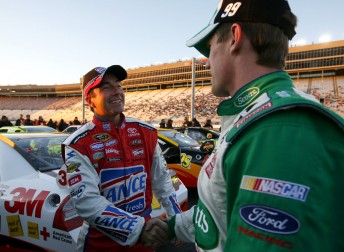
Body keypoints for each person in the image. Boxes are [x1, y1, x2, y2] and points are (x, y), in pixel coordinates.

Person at [152, 0, 344, 251]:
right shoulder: (256, 117)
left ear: (234, 37)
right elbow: (223, 210)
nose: (206, 63)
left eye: (209, 49)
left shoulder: (279, 128)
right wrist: (172, 226)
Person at [57, 65, 182, 251]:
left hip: (145, 242)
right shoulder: (77, 143)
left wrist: (176, 221)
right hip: (99, 243)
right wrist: (138, 229)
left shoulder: (145, 132)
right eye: (106, 87)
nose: (117, 92)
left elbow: (162, 181)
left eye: (119, 85)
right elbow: (86, 201)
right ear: (90, 100)